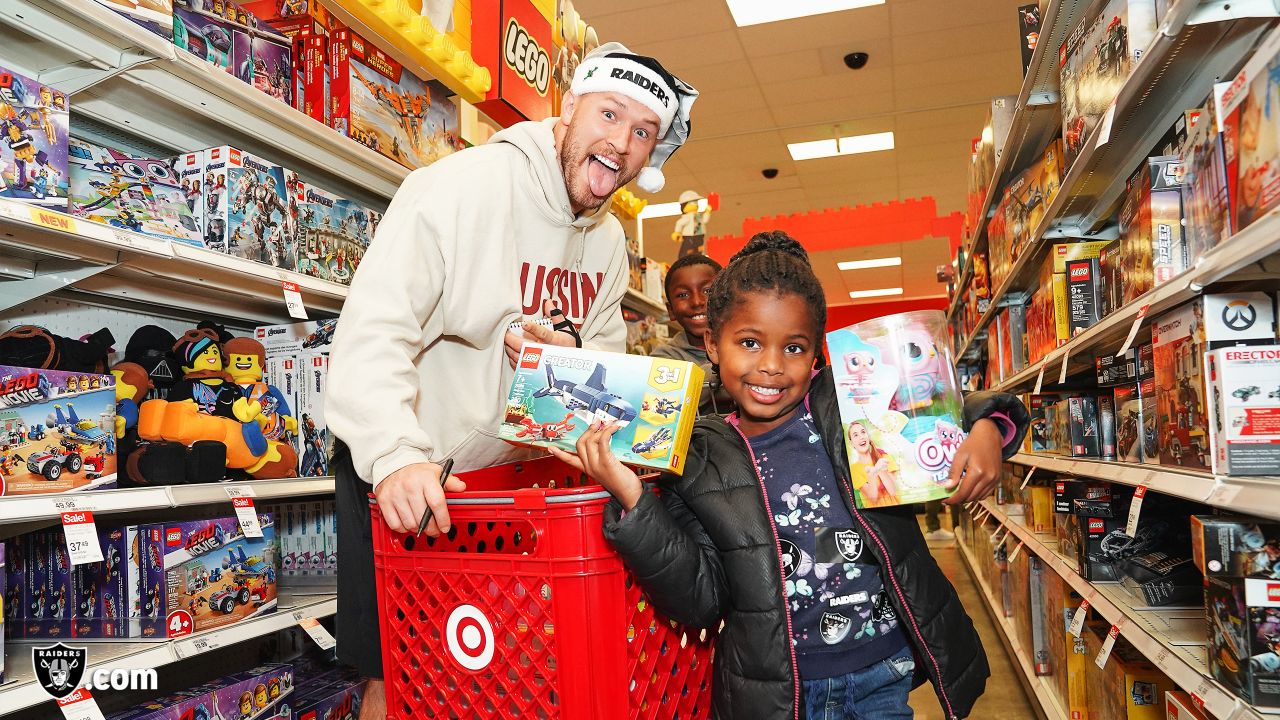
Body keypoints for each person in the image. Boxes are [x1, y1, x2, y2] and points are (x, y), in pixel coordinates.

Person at [324, 43, 698, 719]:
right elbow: (375, 328)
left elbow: (602, 363)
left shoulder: (609, 241)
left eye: (642, 132)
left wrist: (570, 351)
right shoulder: (460, 188)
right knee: (396, 678)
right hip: (409, 469)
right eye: (610, 114)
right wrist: (397, 457)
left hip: (505, 493)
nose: (620, 142)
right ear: (570, 107)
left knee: (488, 672)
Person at [551, 232, 1029, 719]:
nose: (773, 366)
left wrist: (991, 426)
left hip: (883, 671)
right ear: (714, 345)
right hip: (778, 691)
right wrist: (632, 495)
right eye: (750, 343)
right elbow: (700, 600)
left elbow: (938, 406)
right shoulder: (698, 455)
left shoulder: (850, 410)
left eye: (795, 348)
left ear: (818, 354)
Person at [650, 252, 734, 414]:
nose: (697, 302)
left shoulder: (747, 343)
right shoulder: (663, 360)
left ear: (728, 298)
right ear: (671, 310)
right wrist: (725, 368)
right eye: (683, 295)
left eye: (708, 291)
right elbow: (666, 403)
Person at [846, 420, 900, 506]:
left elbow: (893, 491)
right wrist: (872, 473)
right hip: (875, 516)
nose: (861, 437)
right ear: (851, 443)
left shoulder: (884, 457)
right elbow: (873, 498)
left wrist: (882, 471)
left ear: (868, 436)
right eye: (855, 435)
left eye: (863, 432)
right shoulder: (854, 469)